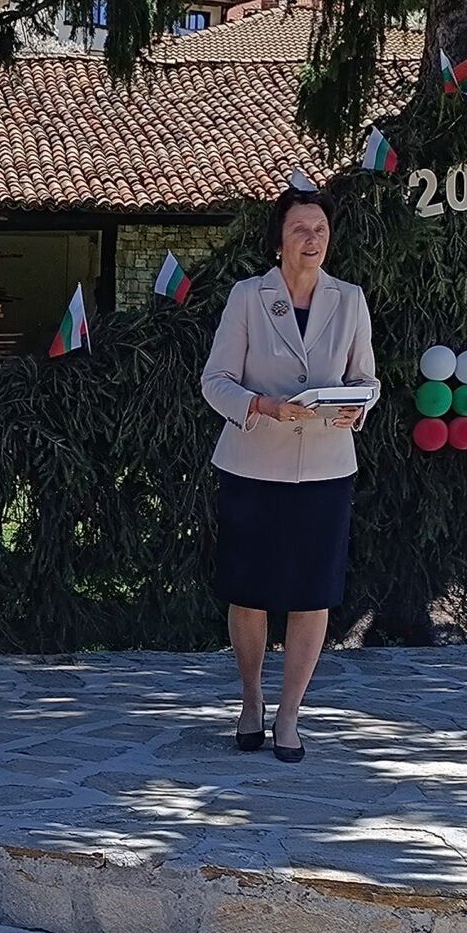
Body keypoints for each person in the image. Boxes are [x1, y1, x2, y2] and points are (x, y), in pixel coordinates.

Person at [200, 178, 376, 763]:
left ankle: (291, 714)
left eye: (320, 229)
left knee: (311, 594)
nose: (312, 238)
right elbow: (215, 382)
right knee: (248, 591)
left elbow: (366, 379)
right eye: (300, 228)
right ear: (278, 238)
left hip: (325, 469)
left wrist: (357, 406)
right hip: (253, 467)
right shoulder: (248, 297)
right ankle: (251, 700)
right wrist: (262, 405)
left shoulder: (349, 299)